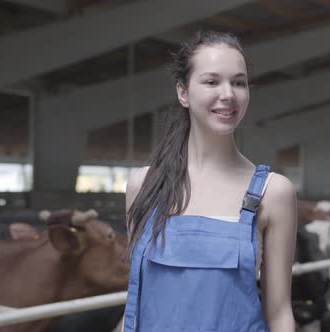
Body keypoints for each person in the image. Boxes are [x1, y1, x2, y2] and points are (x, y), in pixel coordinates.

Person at [122, 31, 297, 332]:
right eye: (212, 81)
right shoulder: (143, 186)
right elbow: (136, 301)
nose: (228, 94)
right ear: (183, 93)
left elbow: (279, 313)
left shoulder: (273, 192)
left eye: (239, 82)